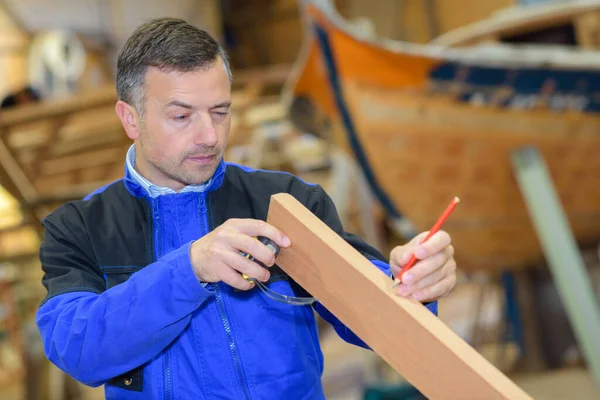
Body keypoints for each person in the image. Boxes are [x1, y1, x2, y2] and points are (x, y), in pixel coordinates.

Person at [36, 18, 457, 400]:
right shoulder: (78, 228)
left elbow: (375, 320)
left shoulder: (286, 203)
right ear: (130, 119)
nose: (208, 136)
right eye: (182, 116)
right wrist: (189, 269)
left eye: (220, 112)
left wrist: (410, 284)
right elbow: (79, 351)